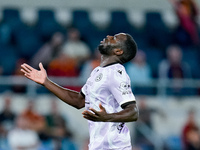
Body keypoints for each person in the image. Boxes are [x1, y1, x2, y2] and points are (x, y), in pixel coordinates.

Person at [21, 33, 139, 150]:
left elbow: (133, 111)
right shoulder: (97, 72)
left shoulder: (116, 73)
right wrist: (46, 82)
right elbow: (78, 100)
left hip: (114, 146)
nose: (108, 36)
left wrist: (107, 117)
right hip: (99, 145)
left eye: (114, 38)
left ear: (118, 51)